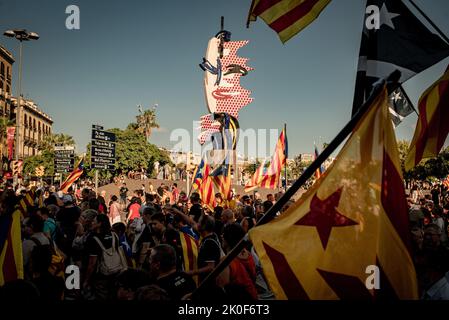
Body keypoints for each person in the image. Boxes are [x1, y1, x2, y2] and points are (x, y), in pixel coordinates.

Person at [83, 214, 127, 300]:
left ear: (99, 224)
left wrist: (86, 280)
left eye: (94, 221)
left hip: (101, 275)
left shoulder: (93, 239)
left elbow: (92, 263)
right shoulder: (114, 235)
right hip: (116, 271)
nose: (92, 223)